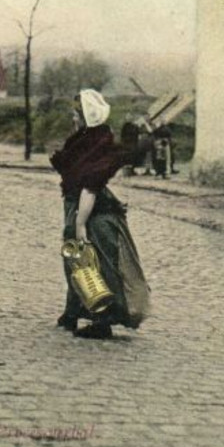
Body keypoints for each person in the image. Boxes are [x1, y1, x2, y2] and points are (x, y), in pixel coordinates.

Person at [49, 88, 151, 340]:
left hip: (93, 213)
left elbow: (90, 186)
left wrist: (80, 222)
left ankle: (102, 321)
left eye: (76, 114)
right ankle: (72, 312)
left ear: (86, 116)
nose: (73, 118)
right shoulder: (85, 140)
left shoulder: (96, 144)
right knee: (76, 258)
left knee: (93, 263)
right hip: (81, 206)